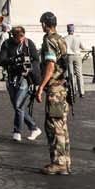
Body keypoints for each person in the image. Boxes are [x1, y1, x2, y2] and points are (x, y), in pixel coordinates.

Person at [33, 10, 72, 175]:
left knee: (54, 126)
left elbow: (50, 65)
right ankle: (65, 161)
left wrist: (41, 86)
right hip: (62, 86)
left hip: (55, 88)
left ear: (43, 24)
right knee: (62, 125)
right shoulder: (61, 39)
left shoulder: (49, 40)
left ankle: (58, 163)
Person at [0, 25, 42, 142]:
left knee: (18, 105)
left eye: (23, 37)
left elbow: (36, 60)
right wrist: (14, 59)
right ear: (13, 36)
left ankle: (17, 131)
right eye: (19, 38)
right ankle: (34, 127)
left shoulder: (28, 43)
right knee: (18, 106)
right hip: (12, 77)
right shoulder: (7, 44)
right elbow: (1, 61)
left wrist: (36, 79)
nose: (21, 40)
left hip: (25, 78)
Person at [64, 23, 85, 99]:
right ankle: (81, 92)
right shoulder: (78, 38)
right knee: (79, 74)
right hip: (77, 56)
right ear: (73, 30)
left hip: (69, 56)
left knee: (71, 74)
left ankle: (73, 91)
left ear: (68, 30)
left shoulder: (65, 38)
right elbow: (83, 47)